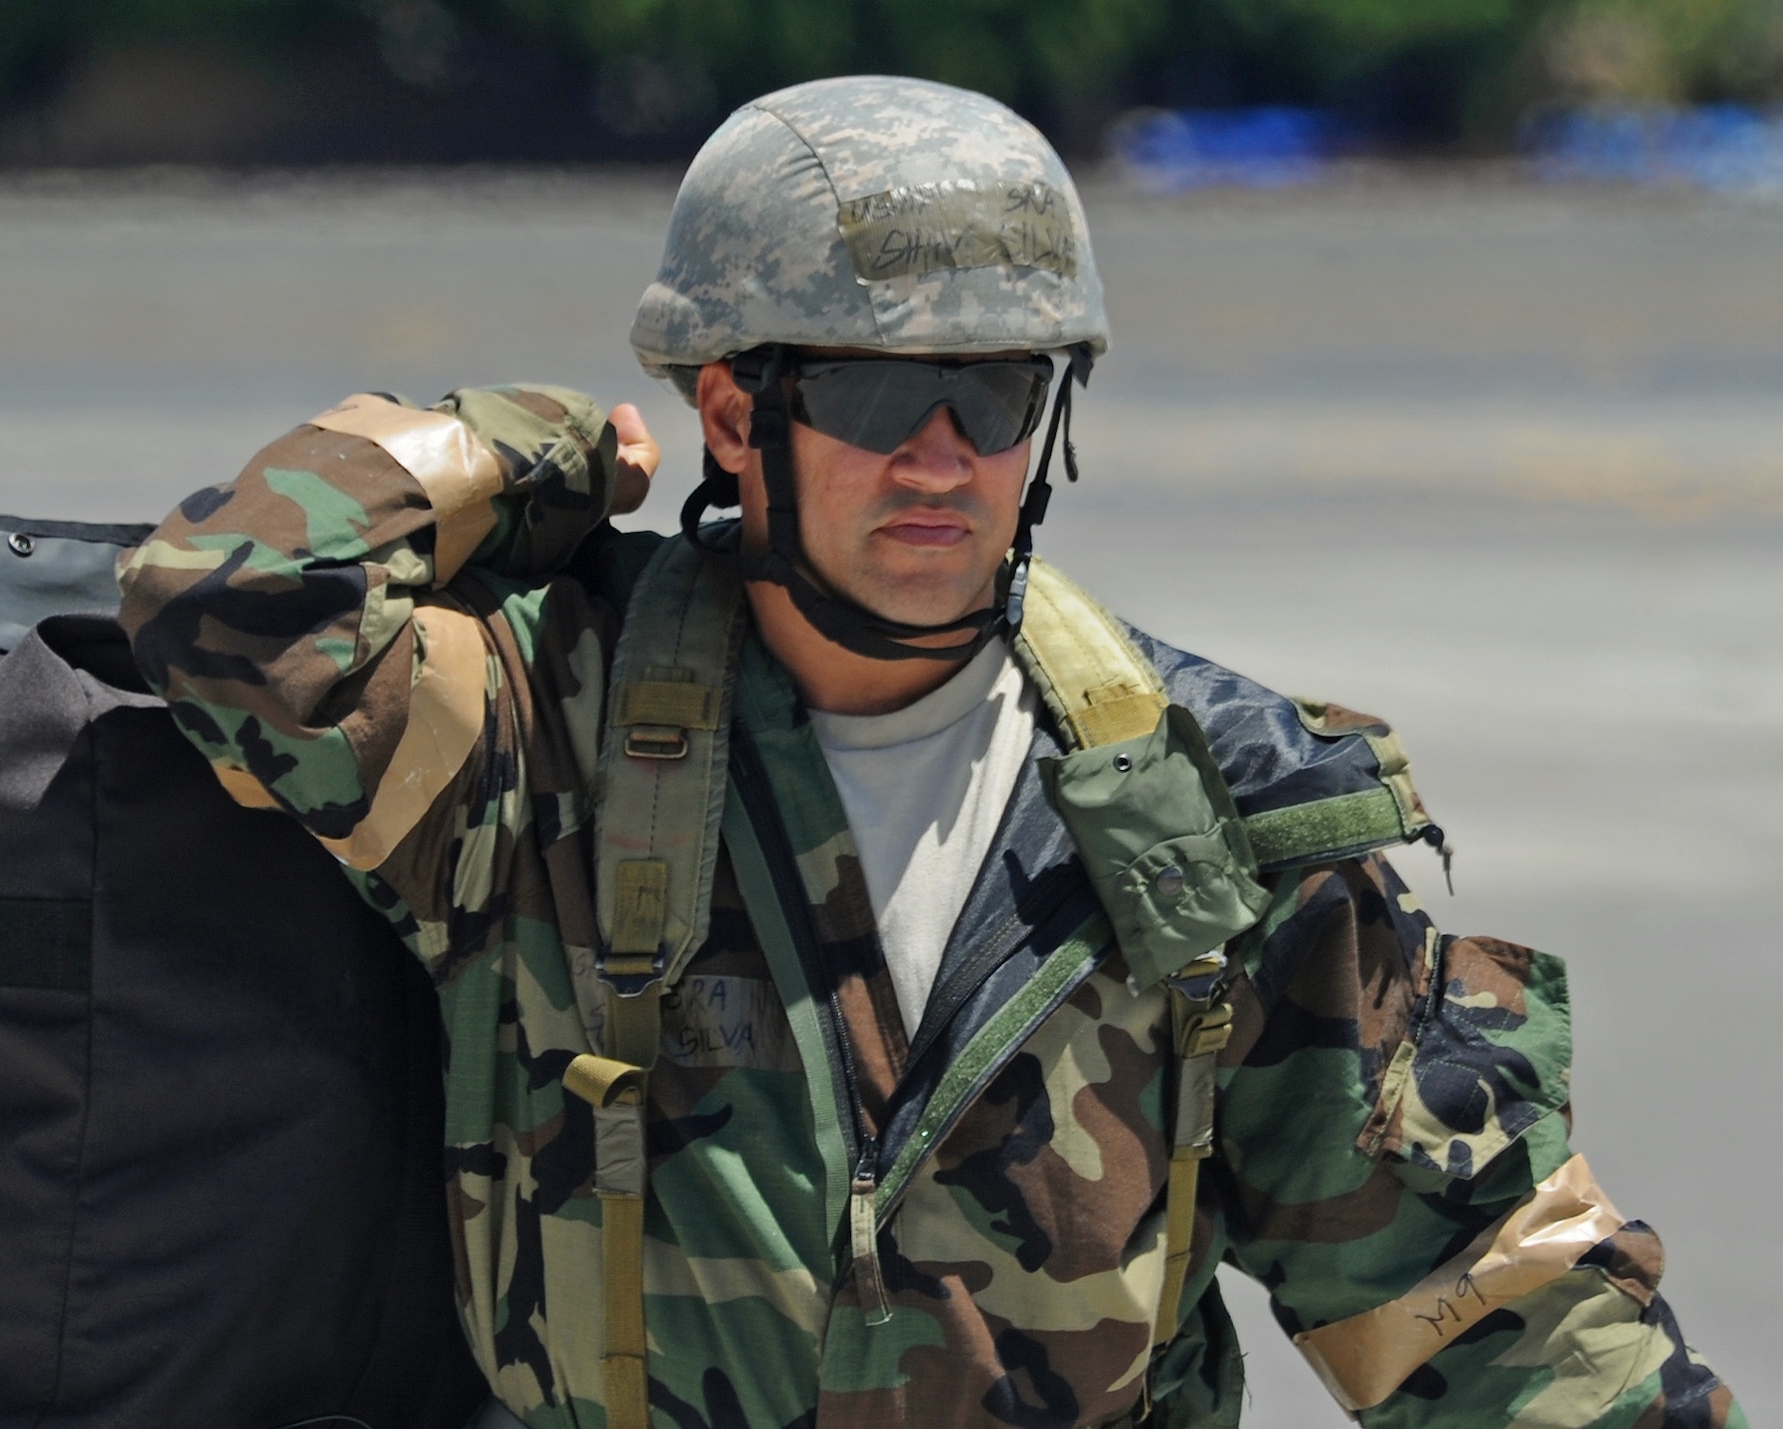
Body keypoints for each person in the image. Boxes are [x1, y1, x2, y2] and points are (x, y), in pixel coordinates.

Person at [117, 75, 1741, 1429]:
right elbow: (230, 597)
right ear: (736, 415)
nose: (946, 459)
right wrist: (530, 458)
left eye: (996, 391)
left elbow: (1488, 1309)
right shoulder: (538, 734)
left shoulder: (1213, 810)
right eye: (884, 396)